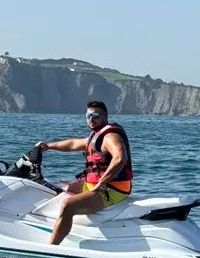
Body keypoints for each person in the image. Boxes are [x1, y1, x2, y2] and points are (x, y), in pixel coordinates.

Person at [35, 101, 134, 245]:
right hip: (97, 184)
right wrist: (47, 146)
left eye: (95, 115)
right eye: (88, 115)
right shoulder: (95, 136)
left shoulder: (110, 136)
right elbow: (73, 144)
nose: (91, 119)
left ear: (105, 117)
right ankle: (57, 226)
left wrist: (102, 182)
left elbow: (120, 158)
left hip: (113, 189)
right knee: (59, 191)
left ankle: (51, 248)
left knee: (67, 205)